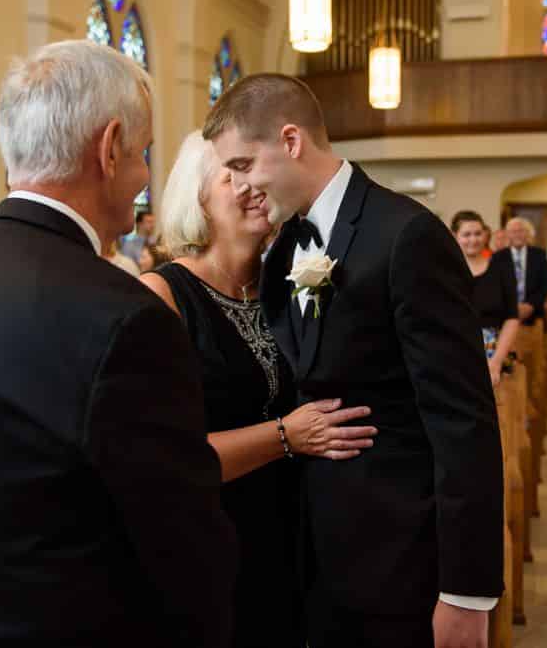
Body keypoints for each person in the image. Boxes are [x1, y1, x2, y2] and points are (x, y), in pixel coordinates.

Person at [0, 40, 232, 648]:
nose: (145, 178)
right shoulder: (128, 320)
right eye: (143, 153)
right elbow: (185, 550)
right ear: (109, 147)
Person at [205, 73, 503, 648]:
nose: (239, 185)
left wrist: (467, 591)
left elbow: (463, 421)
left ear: (291, 140)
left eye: (243, 164)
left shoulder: (407, 236)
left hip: (402, 559)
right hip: (316, 557)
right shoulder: (285, 247)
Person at [141, 131, 379, 648]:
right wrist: (286, 435)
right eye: (234, 174)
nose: (253, 185)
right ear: (197, 193)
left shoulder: (288, 286)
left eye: (257, 170)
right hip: (212, 543)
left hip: (296, 534)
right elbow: (165, 461)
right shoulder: (161, 297)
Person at [451, 209, 521, 384]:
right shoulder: (447, 272)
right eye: (466, 235)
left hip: (495, 350)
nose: (473, 239)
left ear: (485, 235)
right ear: (454, 236)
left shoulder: (502, 268)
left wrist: (496, 362)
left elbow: (512, 318)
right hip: (455, 348)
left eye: (478, 233)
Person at [500, 216, 547, 326]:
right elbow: (496, 287)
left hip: (534, 313)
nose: (517, 235)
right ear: (508, 234)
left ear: (528, 234)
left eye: (521, 231)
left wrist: (530, 305)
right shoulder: (498, 257)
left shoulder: (539, 255)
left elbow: (546, 284)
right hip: (504, 315)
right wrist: (513, 307)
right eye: (513, 231)